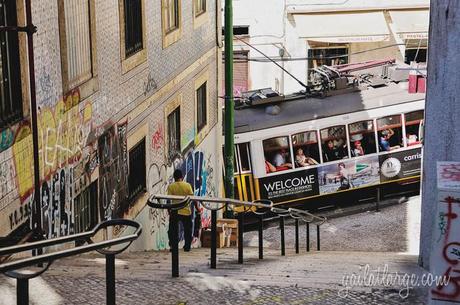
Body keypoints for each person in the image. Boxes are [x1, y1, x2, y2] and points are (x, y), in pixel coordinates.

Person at [167, 169, 199, 252]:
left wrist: (169, 210)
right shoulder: (187, 185)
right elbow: (193, 199)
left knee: (173, 230)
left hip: (175, 211)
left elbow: (168, 200)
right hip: (186, 211)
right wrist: (197, 208)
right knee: (187, 230)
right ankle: (187, 246)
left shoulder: (171, 186)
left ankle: (173, 246)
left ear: (174, 177)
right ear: (182, 176)